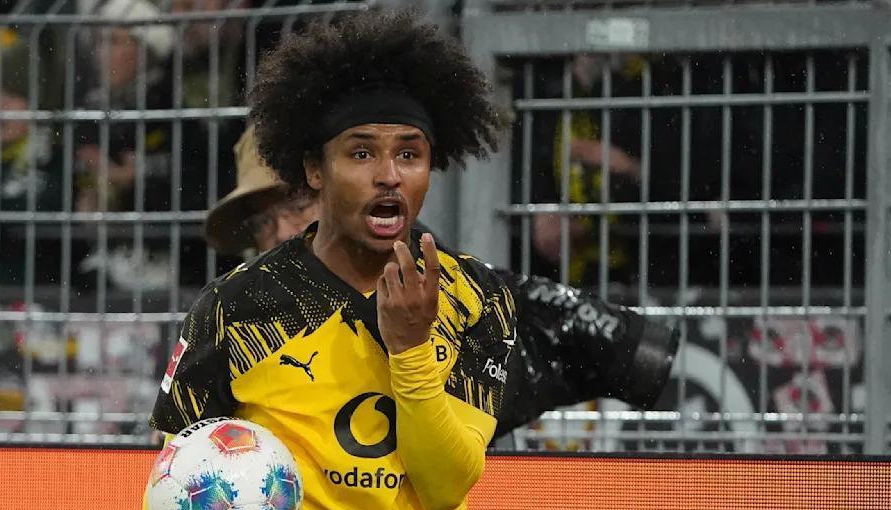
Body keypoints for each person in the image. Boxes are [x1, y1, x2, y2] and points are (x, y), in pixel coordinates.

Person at [145, 10, 517, 510]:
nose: (389, 175)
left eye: (409, 153)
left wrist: (411, 351)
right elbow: (173, 473)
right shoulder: (236, 305)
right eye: (361, 153)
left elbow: (444, 487)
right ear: (314, 170)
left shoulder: (475, 296)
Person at [207, 125, 679, 442]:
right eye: (262, 223)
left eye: (295, 208)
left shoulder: (460, 298)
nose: (280, 233)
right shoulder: (238, 312)